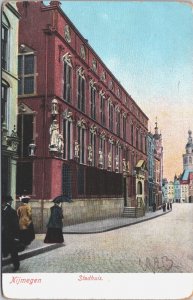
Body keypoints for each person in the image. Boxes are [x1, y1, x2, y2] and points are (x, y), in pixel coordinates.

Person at [2, 195, 20, 271]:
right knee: (13, 251)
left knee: (5, 248)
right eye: (11, 200)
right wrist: (17, 236)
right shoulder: (12, 211)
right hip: (11, 234)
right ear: (9, 201)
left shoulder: (2, 211)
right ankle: (16, 265)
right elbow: (16, 225)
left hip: (4, 234)